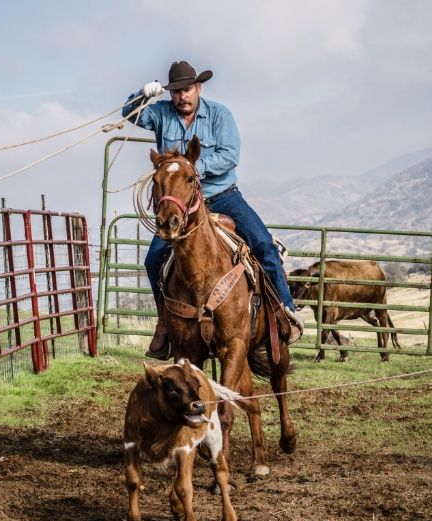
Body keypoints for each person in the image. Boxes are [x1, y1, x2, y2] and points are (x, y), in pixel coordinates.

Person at [122, 60, 303, 359]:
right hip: (183, 206)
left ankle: (284, 311)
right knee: (154, 259)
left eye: (187, 90)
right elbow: (129, 114)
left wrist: (191, 170)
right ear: (171, 94)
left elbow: (229, 156)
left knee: (262, 244)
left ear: (198, 88)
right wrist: (142, 95)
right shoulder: (160, 114)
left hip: (222, 195)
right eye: (177, 92)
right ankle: (166, 323)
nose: (183, 96)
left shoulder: (220, 115)